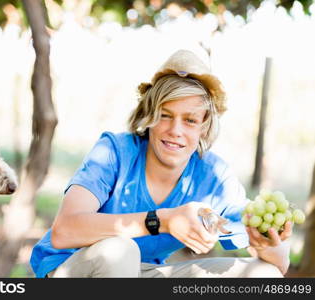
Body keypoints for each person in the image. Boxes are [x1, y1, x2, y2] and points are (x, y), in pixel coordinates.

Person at [29, 49, 292, 278]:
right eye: (165, 116)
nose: (175, 130)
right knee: (120, 249)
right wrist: (163, 221)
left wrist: (272, 248)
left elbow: (279, 265)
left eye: (190, 120)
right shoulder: (115, 152)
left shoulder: (213, 176)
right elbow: (64, 231)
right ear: (150, 117)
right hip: (74, 269)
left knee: (261, 274)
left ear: (204, 125)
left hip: (140, 273)